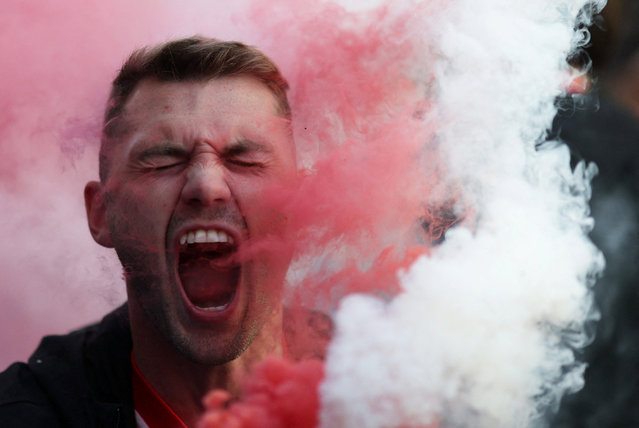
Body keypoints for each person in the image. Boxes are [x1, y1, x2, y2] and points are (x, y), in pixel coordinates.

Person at [0, 36, 298, 427]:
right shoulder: (23, 413)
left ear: (301, 205)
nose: (206, 186)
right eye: (162, 161)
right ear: (102, 213)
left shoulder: (390, 381)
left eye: (244, 159)